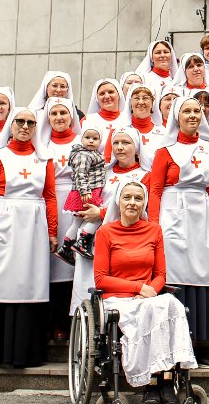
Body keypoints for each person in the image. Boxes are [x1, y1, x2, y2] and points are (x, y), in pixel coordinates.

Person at [94, 179, 196, 404]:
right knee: (152, 311)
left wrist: (149, 291)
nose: (132, 203)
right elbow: (101, 279)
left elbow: (160, 273)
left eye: (138, 198)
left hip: (147, 298)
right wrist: (138, 287)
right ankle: (151, 384)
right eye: (127, 198)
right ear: (118, 202)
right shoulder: (105, 232)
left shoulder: (154, 230)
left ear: (144, 203)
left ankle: (167, 381)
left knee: (171, 305)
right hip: (119, 300)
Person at [0, 108, 58, 368]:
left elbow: (50, 196)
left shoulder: (44, 159)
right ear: (11, 125)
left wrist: (52, 231)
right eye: (19, 121)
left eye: (30, 122)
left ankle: (24, 351)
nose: (24, 126)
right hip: (3, 222)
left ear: (36, 127)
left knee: (28, 284)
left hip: (33, 225)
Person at [149, 98, 209, 367]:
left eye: (196, 111)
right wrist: (155, 227)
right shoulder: (165, 151)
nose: (193, 115)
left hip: (201, 215)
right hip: (172, 214)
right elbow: (155, 191)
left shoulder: (208, 148)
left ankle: (197, 344)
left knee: (202, 273)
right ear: (176, 117)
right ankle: (173, 347)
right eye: (187, 112)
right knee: (176, 275)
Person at [69, 126, 150, 315]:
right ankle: (84, 321)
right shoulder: (102, 170)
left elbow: (141, 208)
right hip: (91, 236)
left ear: (137, 147)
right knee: (86, 281)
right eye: (116, 143)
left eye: (126, 143)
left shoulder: (145, 174)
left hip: (122, 237)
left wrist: (102, 213)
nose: (120, 147)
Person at [36, 97, 81, 341]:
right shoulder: (41, 144)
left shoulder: (81, 142)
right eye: (54, 113)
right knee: (50, 265)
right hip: (48, 204)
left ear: (72, 116)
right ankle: (48, 322)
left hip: (75, 205)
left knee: (71, 266)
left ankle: (67, 322)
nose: (59, 117)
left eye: (64, 112)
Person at [60, 125, 105, 261]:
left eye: (95, 138)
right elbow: (81, 174)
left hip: (82, 191)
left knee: (77, 221)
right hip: (87, 191)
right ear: (81, 139)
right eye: (87, 138)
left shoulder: (91, 154)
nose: (91, 141)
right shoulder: (84, 155)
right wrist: (85, 190)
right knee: (96, 216)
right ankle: (82, 243)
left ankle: (66, 247)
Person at [84, 78, 129, 162]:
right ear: (96, 98)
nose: (107, 96)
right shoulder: (87, 120)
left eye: (111, 92)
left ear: (119, 94)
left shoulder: (128, 119)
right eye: (102, 93)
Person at [123, 83, 166, 170]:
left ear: (152, 102)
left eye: (146, 98)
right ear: (130, 102)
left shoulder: (164, 133)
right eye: (136, 98)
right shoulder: (120, 131)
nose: (141, 102)